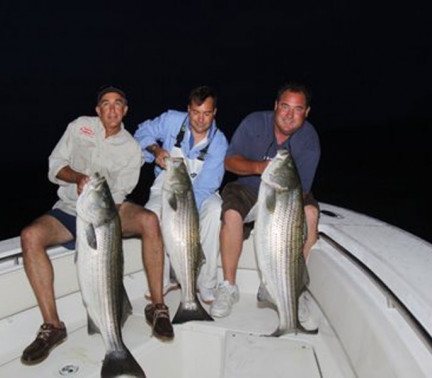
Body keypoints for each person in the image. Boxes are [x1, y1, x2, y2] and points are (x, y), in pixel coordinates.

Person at [20, 85, 174, 366]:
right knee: (30, 236)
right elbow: (55, 166)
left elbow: (119, 194)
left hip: (108, 209)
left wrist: (101, 221)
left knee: (150, 221)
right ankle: (53, 326)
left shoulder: (131, 148)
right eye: (106, 104)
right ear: (98, 109)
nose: (112, 109)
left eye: (118, 104)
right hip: (70, 208)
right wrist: (78, 177)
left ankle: (158, 306)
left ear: (125, 110)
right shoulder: (79, 127)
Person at [210, 82, 321, 318]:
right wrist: (260, 167)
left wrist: (281, 213)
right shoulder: (254, 123)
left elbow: (302, 192)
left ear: (307, 112)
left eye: (298, 109)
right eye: (285, 107)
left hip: (287, 193)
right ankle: (229, 286)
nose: (290, 115)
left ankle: (294, 288)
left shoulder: (309, 139)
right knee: (231, 213)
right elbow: (230, 162)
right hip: (249, 187)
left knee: (310, 215)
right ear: (275, 106)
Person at [134, 85, 228, 304]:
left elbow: (204, 187)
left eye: (206, 113)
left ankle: (205, 283)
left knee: (215, 210)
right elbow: (141, 133)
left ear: (214, 113)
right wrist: (156, 150)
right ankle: (163, 278)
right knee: (151, 215)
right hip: (166, 183)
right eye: (195, 112)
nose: (200, 119)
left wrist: (184, 217)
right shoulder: (171, 120)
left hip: (199, 191)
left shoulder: (219, 142)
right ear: (188, 110)